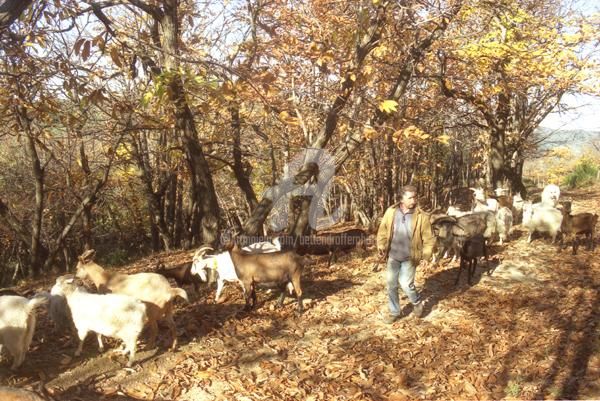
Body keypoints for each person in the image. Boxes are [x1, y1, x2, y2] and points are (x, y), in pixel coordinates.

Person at [376, 185, 435, 323]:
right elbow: (383, 230)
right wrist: (381, 245)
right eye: (410, 198)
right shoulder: (391, 212)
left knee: (406, 284)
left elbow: (429, 239)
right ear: (402, 199)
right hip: (393, 256)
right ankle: (394, 312)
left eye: (415, 197)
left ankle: (416, 301)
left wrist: (426, 256)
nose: (414, 200)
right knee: (391, 285)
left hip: (410, 257)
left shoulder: (421, 217)